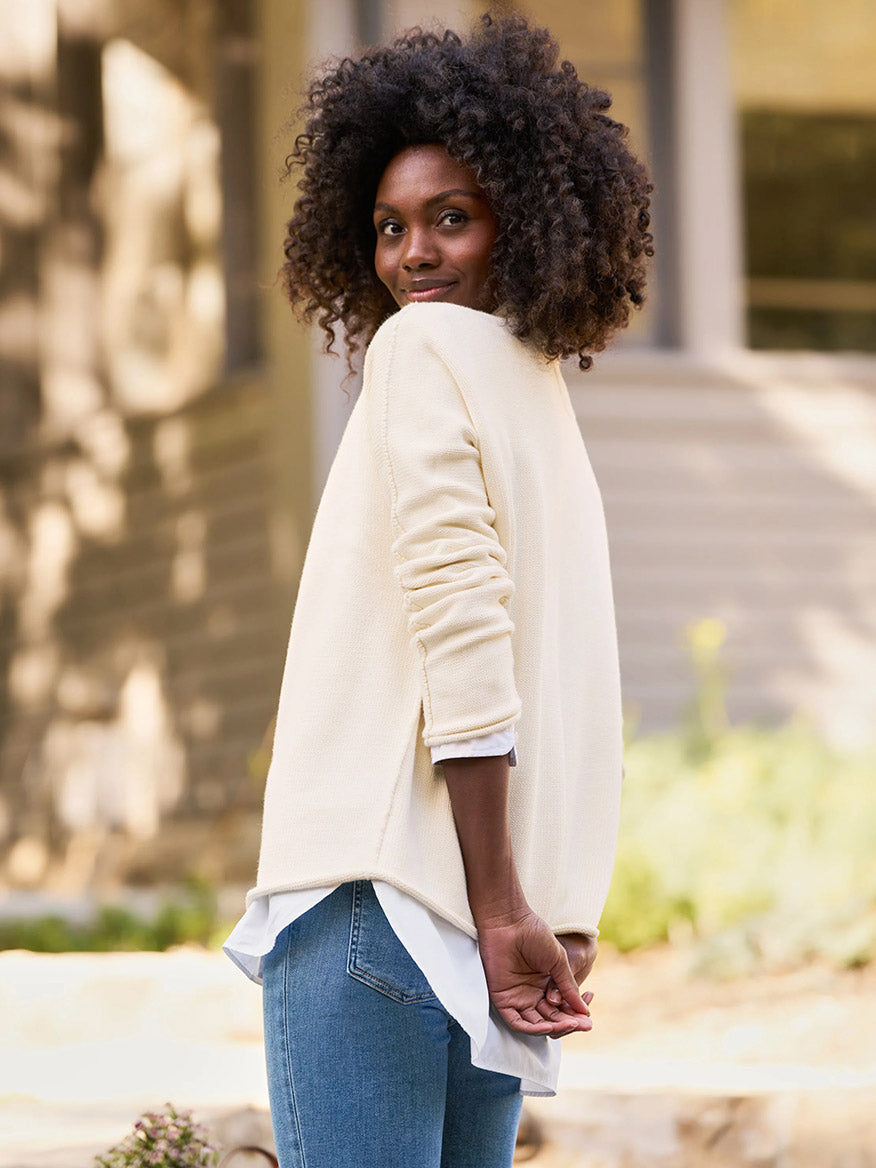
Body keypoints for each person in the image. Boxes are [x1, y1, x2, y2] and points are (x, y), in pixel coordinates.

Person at [223, 13, 653, 1168]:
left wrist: (513, 908)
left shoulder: (420, 356)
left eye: (450, 218)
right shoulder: (541, 397)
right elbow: (577, 691)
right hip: (495, 932)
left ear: (525, 219)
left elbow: (469, 641)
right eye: (388, 227)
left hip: (384, 897)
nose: (414, 254)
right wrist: (553, 914)